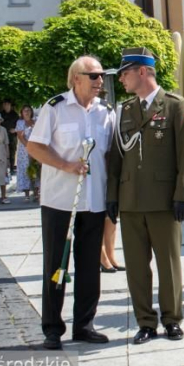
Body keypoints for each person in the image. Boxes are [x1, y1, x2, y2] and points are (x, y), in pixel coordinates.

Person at [106, 47, 184, 345]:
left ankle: (172, 319)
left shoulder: (174, 106)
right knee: (136, 267)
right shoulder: (125, 110)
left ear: (143, 71)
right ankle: (145, 321)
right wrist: (112, 196)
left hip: (163, 200)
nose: (121, 79)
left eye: (125, 73)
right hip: (130, 200)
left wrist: (183, 195)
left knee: (168, 263)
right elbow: (115, 156)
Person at [27, 55, 115, 350]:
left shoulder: (106, 111)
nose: (100, 80)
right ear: (76, 77)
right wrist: (65, 165)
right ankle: (52, 328)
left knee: (90, 266)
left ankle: (84, 325)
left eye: (101, 75)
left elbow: (111, 154)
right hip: (60, 200)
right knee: (56, 264)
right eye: (94, 75)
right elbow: (35, 146)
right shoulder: (55, 108)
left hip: (94, 201)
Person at [15, 104, 40, 202]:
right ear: (21, 112)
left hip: (36, 148)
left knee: (36, 169)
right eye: (25, 110)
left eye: (28, 110)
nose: (27, 112)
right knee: (26, 170)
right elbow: (20, 137)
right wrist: (29, 147)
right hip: (25, 150)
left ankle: (36, 192)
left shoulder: (36, 122)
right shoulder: (20, 122)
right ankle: (26, 194)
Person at [0, 99, 19, 173]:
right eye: (5, 104)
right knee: (2, 152)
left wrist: (15, 130)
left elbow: (19, 126)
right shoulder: (0, 114)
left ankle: (11, 168)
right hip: (2, 136)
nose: (6, 106)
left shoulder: (15, 115)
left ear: (10, 106)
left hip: (12, 136)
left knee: (12, 152)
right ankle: (3, 167)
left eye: (8, 104)